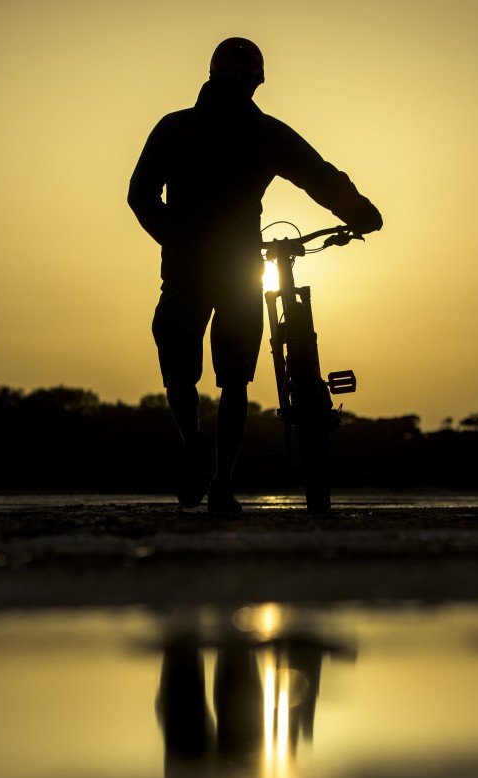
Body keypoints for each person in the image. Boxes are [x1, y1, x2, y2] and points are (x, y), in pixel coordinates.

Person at [129, 37, 383, 514]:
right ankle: (223, 484)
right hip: (240, 263)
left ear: (210, 75)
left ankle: (191, 442)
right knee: (236, 381)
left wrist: (175, 238)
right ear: (257, 81)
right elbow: (319, 176)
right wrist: (360, 212)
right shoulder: (265, 132)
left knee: (180, 370)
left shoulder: (174, 127)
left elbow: (139, 195)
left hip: (185, 266)